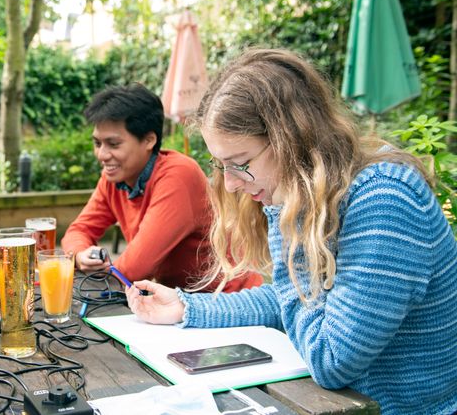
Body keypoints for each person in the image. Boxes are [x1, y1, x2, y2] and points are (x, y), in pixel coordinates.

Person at [126, 49, 457, 415]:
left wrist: (284, 214)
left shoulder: (384, 200)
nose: (232, 185)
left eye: (240, 164)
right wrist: (187, 307)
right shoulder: (332, 191)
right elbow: (297, 300)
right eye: (220, 166)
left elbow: (331, 359)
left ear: (291, 139)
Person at [61, 83, 262, 291]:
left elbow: (134, 268)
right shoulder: (114, 177)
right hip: (178, 302)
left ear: (149, 140)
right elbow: (78, 231)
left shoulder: (178, 175)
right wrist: (80, 255)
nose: (102, 155)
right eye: (97, 143)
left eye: (113, 144)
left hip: (229, 301)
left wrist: (94, 272)